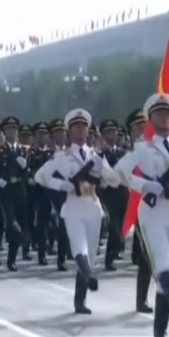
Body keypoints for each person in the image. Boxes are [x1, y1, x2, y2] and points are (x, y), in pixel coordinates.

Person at [114, 92, 169, 337]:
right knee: (162, 263)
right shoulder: (143, 147)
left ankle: (160, 331)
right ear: (150, 119)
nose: (165, 117)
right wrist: (144, 185)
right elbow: (119, 173)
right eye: (159, 113)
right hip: (152, 213)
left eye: (168, 113)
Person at [34, 108, 122, 314]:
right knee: (79, 248)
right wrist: (62, 185)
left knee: (90, 255)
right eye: (76, 128)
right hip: (73, 207)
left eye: (83, 128)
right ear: (70, 132)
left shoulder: (95, 156)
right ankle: (89, 279)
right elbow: (40, 176)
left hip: (93, 207)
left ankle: (80, 300)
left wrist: (105, 174)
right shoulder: (62, 156)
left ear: (88, 130)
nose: (80, 132)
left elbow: (115, 180)